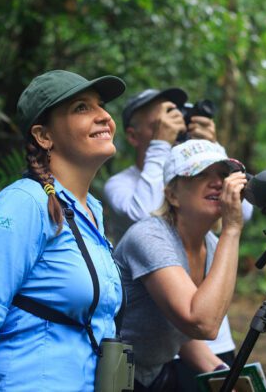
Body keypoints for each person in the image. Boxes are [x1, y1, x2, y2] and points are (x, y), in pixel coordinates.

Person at [0, 70, 126, 391]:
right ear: (44, 136)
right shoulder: (22, 205)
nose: (104, 117)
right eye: (82, 108)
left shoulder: (90, 210)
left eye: (101, 106)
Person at [103, 88, 253, 380]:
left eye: (222, 176)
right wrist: (232, 231)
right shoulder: (149, 236)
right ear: (171, 193)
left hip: (154, 368)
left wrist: (225, 375)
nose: (217, 184)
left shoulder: (209, 243)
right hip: (115, 370)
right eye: (200, 174)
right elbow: (202, 323)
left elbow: (179, 334)